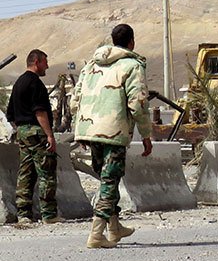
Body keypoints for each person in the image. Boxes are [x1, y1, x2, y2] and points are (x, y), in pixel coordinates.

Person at [70, 24, 153, 248]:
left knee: (107, 177)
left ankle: (114, 228)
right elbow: (138, 103)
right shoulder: (132, 65)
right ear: (131, 42)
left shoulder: (90, 65)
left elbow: (75, 99)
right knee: (109, 180)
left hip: (90, 131)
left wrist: (80, 131)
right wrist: (146, 134)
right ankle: (96, 234)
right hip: (114, 131)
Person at [6, 49, 61, 224]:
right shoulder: (35, 83)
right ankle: (49, 214)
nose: (47, 66)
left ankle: (23, 214)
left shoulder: (19, 83)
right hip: (37, 131)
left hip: (22, 132)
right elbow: (40, 112)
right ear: (36, 62)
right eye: (45, 62)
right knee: (46, 172)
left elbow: (11, 114)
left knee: (26, 173)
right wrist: (49, 135)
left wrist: (23, 130)